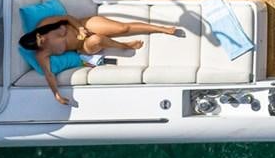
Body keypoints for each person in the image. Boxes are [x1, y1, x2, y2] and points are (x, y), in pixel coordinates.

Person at [19, 13, 180, 106]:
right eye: (41, 42)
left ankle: (162, 29)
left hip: (84, 25)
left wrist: (80, 28)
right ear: (37, 47)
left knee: (123, 28)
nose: (44, 39)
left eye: (40, 36)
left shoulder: (44, 24)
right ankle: (125, 46)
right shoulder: (42, 54)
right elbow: (48, 74)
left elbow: (66, 17)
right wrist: (56, 94)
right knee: (96, 40)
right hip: (84, 45)